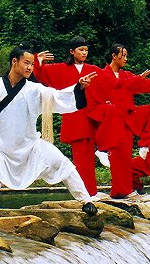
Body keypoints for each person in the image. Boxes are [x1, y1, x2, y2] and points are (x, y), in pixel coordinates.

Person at [0, 44, 98, 215]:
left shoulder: (35, 90)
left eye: (32, 64)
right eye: (26, 63)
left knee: (63, 164)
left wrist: (78, 88)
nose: (30, 67)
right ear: (14, 62)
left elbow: (58, 97)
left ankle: (86, 200)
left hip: (30, 146)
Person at [87, 44, 150, 198]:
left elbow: (149, 85)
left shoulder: (126, 75)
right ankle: (120, 189)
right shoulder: (101, 75)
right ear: (114, 56)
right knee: (119, 156)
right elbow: (93, 97)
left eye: (127, 55)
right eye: (123, 55)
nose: (126, 59)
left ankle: (145, 144)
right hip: (111, 119)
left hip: (128, 117)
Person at [31, 36, 104, 198]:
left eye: (86, 49)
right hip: (73, 117)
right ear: (72, 51)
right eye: (81, 50)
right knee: (80, 158)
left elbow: (109, 84)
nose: (84, 52)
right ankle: (87, 193)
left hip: (91, 116)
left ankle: (91, 191)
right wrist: (37, 59)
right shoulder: (61, 69)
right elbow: (41, 74)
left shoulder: (94, 70)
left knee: (89, 157)